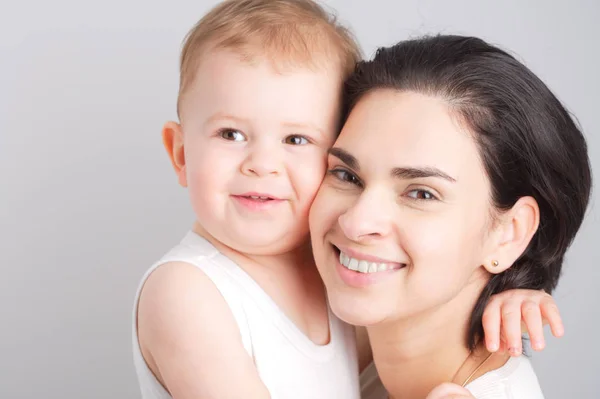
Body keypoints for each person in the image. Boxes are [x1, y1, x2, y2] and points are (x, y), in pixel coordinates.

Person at [132, 1, 566, 397]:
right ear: (181, 154)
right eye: (231, 134)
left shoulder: (323, 280)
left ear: (509, 235)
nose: (262, 164)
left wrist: (511, 288)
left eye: (296, 139)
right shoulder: (187, 292)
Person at [309, 34, 591, 399]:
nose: (356, 222)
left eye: (421, 193)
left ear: (509, 233)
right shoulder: (355, 345)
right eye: (347, 175)